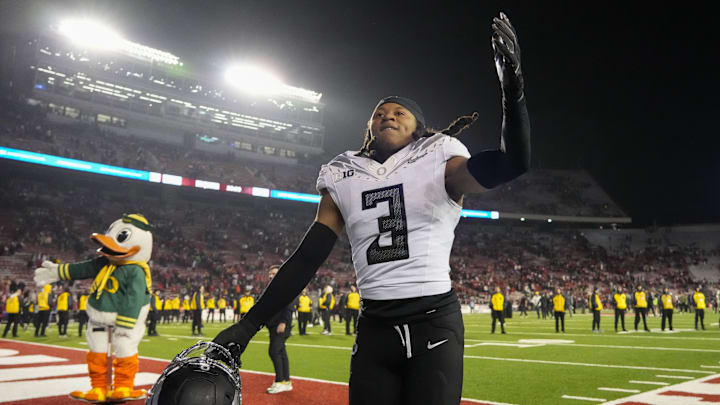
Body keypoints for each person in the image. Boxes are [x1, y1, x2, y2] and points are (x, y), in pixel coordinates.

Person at [213, 11, 530, 404]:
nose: (387, 115)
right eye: (379, 113)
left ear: (419, 128)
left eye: (399, 112)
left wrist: (511, 93)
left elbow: (510, 163)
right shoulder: (343, 172)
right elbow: (308, 256)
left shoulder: (438, 156)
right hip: (374, 325)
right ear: (369, 127)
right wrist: (247, 327)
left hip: (433, 321)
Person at [265, 265, 294, 394]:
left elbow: (289, 305)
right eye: (270, 273)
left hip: (281, 325)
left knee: (274, 351)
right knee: (281, 352)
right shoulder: (272, 288)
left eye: (274, 273)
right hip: (273, 325)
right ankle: (286, 382)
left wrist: (283, 322)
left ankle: (280, 381)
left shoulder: (285, 286)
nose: (271, 275)